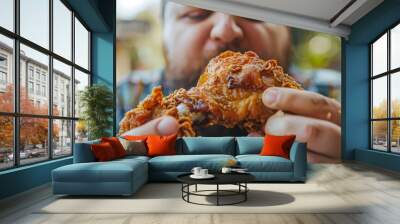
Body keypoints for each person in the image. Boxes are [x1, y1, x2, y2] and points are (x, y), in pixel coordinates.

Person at [117, 2, 341, 163]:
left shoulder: (340, 94)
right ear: (164, 32)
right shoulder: (123, 98)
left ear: (288, 29)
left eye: (255, 10)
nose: (226, 30)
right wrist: (122, 164)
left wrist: (348, 161)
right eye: (197, 13)